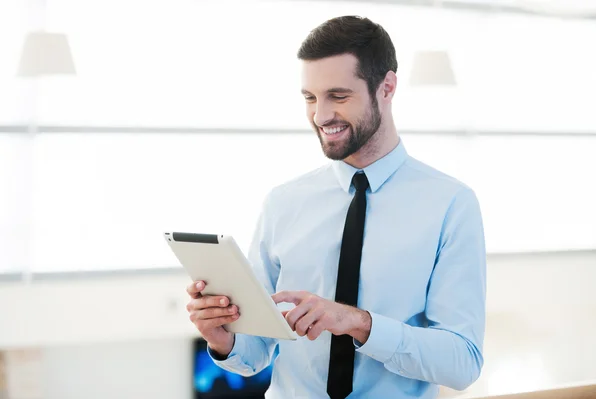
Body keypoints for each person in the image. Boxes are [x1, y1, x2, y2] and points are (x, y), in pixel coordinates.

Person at [186, 15, 486, 399]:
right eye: (310, 98)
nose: (320, 115)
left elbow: (462, 364)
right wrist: (221, 339)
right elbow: (255, 354)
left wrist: (359, 323)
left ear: (387, 87)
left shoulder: (451, 204)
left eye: (338, 96)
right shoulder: (283, 203)